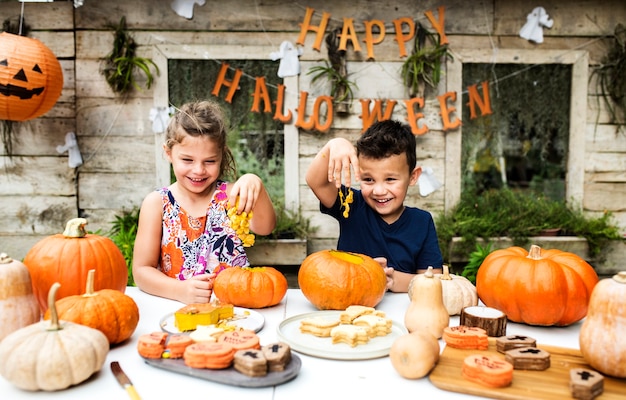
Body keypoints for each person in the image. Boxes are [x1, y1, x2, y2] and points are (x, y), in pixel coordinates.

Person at [133, 100, 276, 304]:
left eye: (209, 161)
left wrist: (256, 184)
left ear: (221, 156)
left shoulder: (232, 196)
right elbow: (141, 271)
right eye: (188, 160)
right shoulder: (157, 203)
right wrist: (179, 290)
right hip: (176, 310)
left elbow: (265, 227)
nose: (199, 170)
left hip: (235, 311)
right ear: (168, 153)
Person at [305, 119, 443, 292]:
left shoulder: (422, 222)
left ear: (413, 177)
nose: (378, 190)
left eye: (390, 179)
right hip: (349, 304)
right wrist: (335, 144)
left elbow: (435, 282)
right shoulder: (351, 204)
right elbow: (315, 181)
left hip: (401, 312)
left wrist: (393, 280)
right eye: (368, 179)